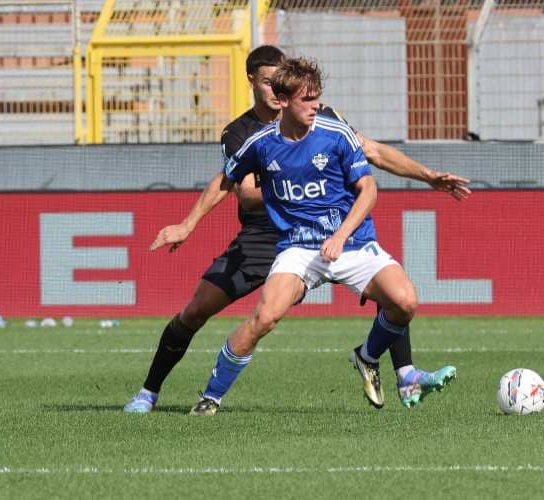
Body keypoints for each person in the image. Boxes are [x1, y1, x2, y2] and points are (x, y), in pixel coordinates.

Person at [123, 46, 469, 414]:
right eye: (270, 82)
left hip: (336, 236)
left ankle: (403, 373)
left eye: (283, 82)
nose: (276, 90)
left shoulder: (328, 123)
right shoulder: (245, 135)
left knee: (399, 297)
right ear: (255, 82)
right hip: (266, 236)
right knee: (203, 312)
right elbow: (239, 189)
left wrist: (429, 176)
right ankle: (153, 392)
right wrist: (188, 223)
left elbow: (375, 156)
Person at [189, 56, 431, 416]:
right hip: (299, 249)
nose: (316, 106)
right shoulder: (260, 143)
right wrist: (187, 222)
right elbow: (225, 180)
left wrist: (340, 235)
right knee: (264, 318)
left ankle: (366, 357)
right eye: (307, 99)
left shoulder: (336, 133)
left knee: (405, 302)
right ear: (283, 100)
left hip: (351, 243)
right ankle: (210, 397)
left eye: (318, 97)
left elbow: (369, 190)